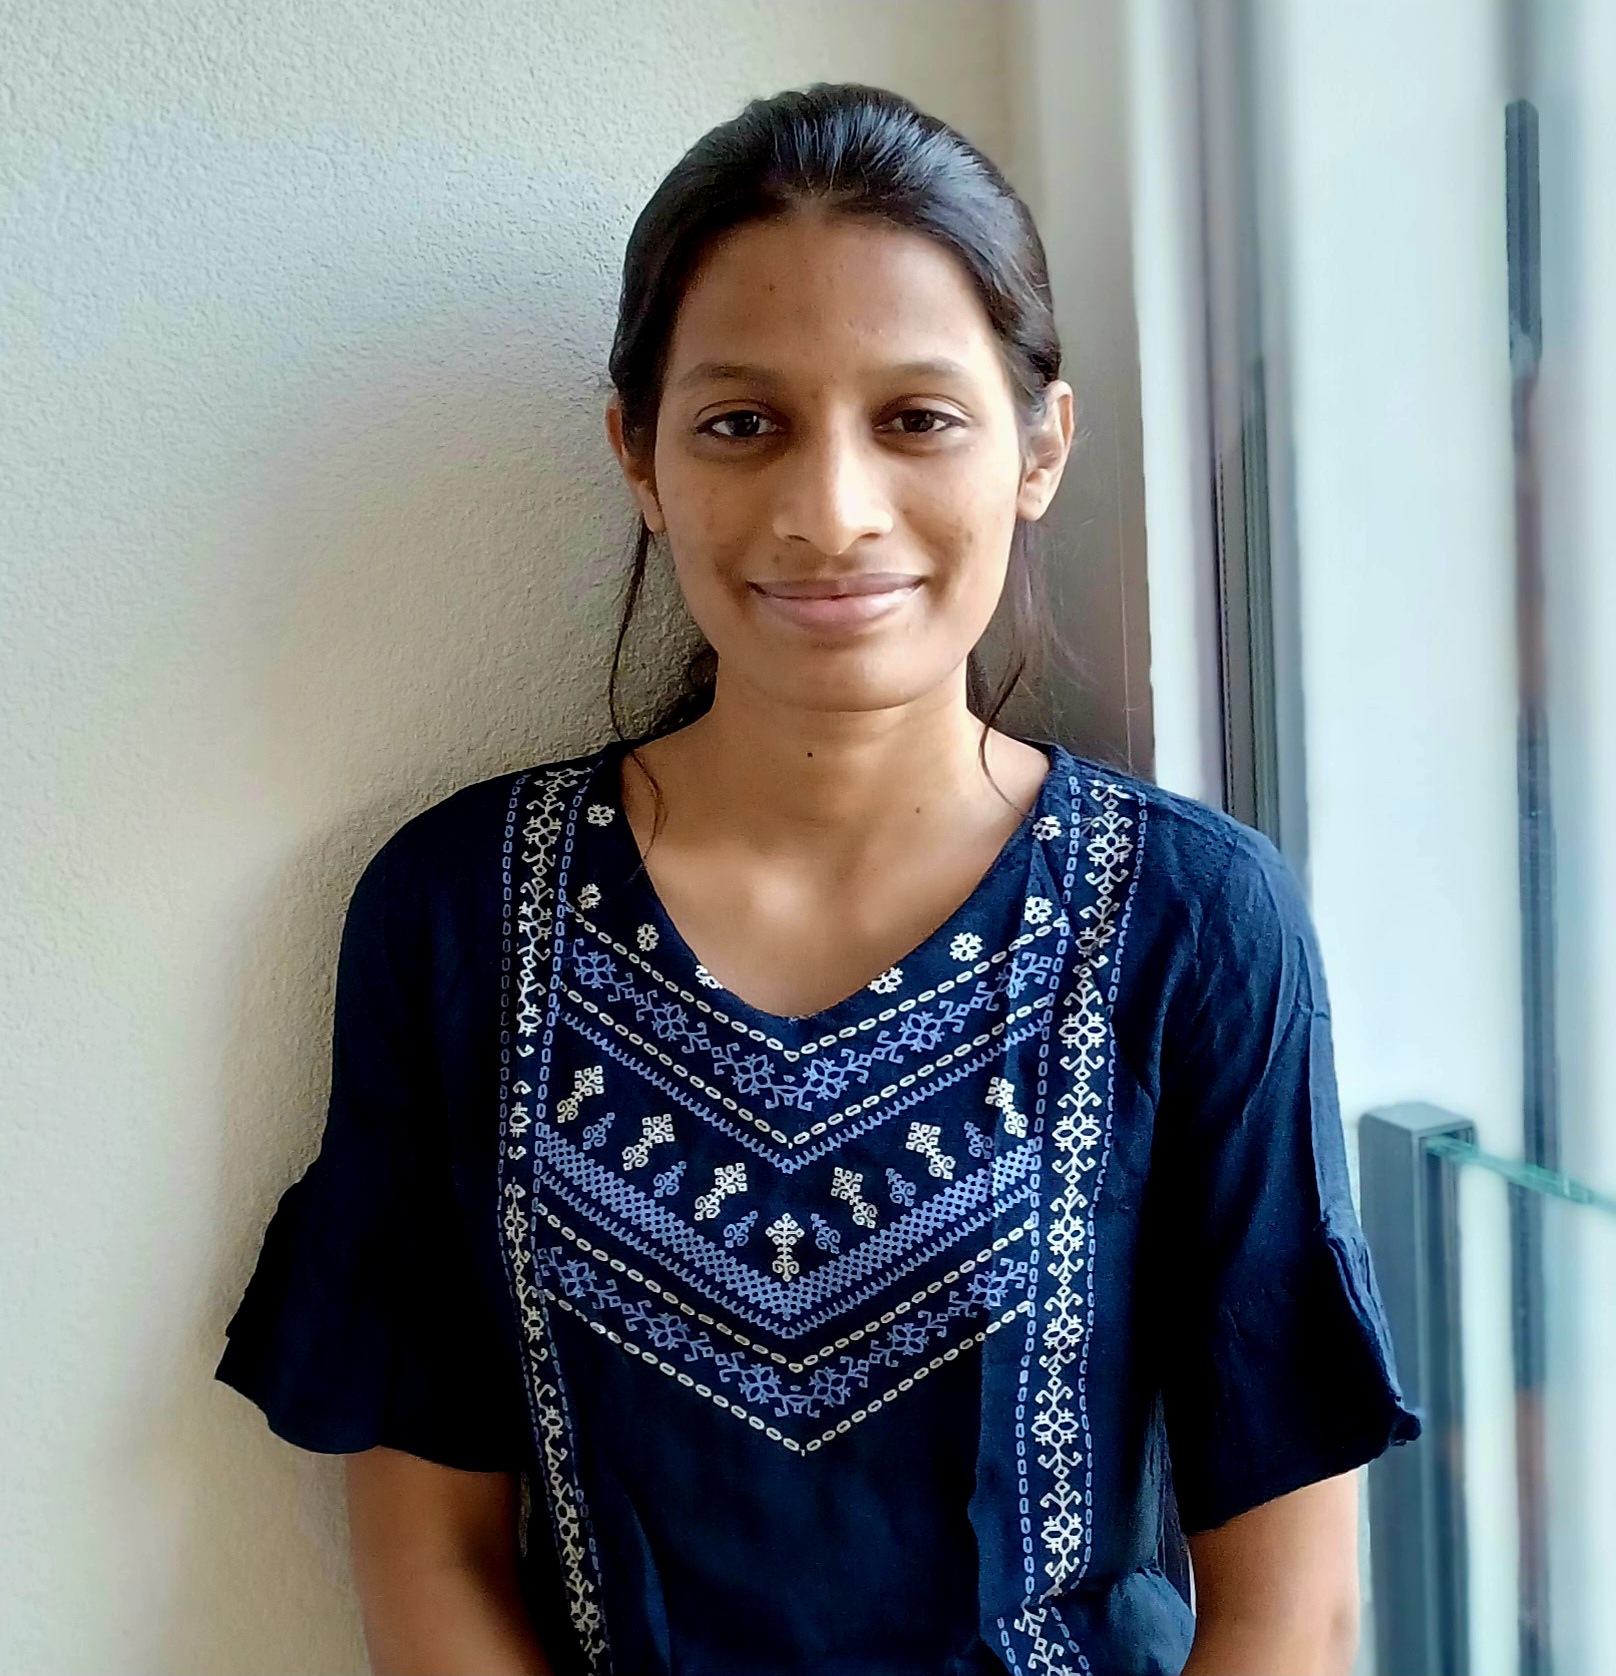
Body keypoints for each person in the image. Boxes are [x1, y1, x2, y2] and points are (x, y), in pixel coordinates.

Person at [216, 82, 1420, 1676]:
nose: (830, 513)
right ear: (639, 454)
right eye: (743, 423)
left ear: (1041, 446)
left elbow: (1291, 1610)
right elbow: (428, 1551)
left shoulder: (1191, 922)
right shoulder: (457, 913)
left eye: (916, 418)